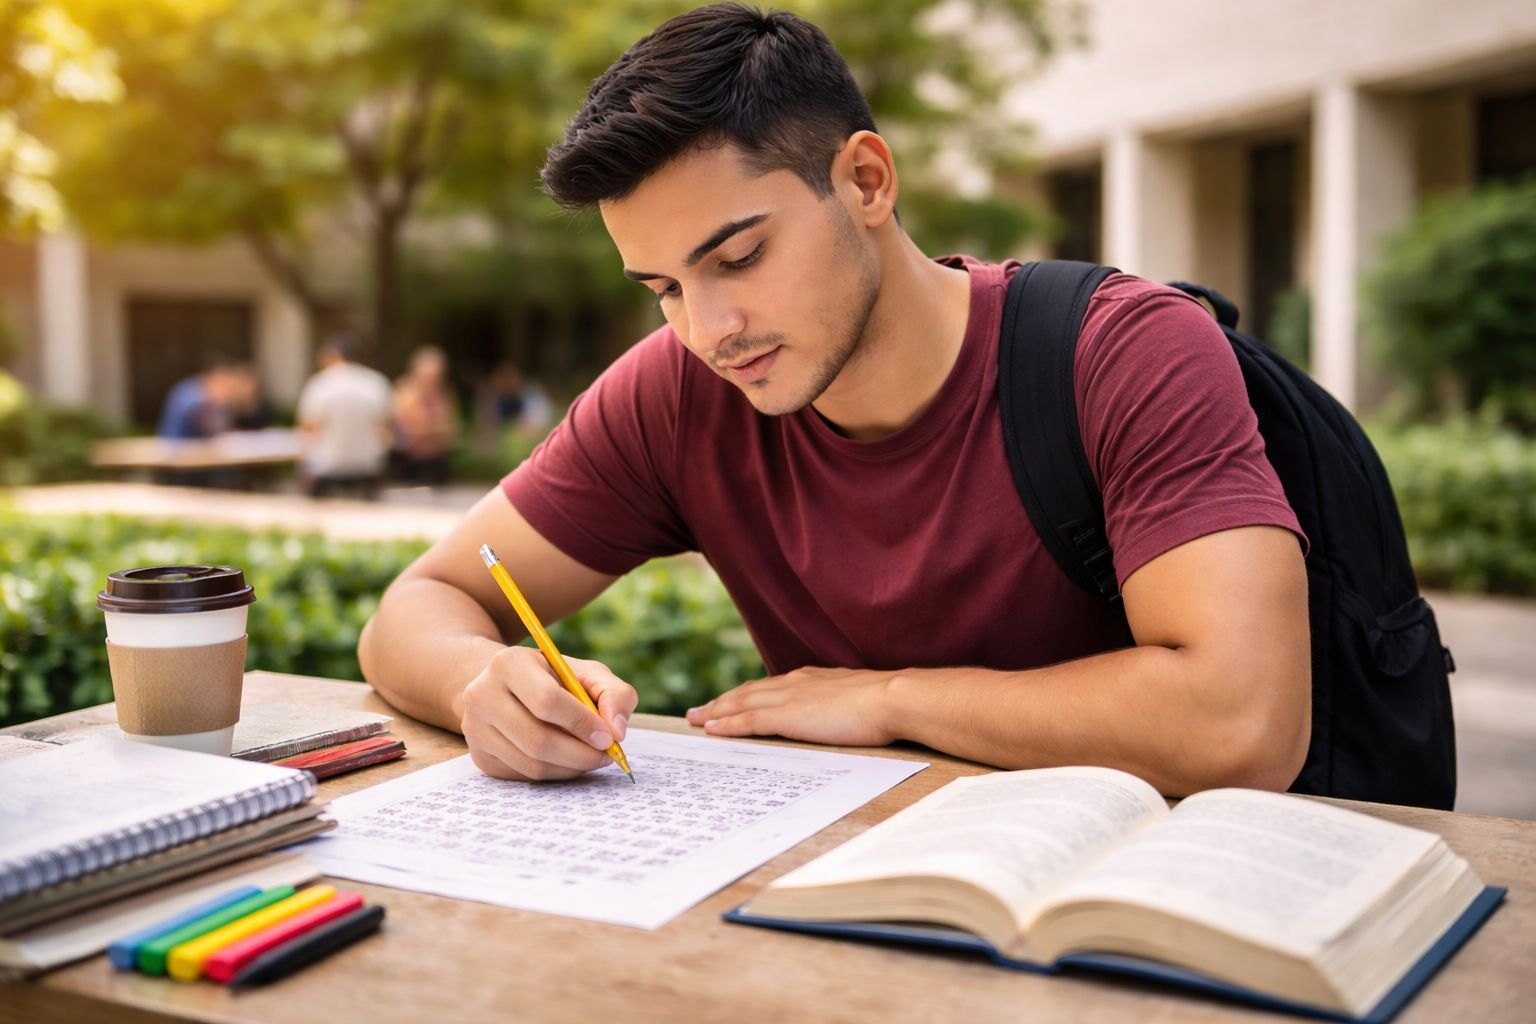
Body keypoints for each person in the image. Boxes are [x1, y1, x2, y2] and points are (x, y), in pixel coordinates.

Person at [359, 5, 1310, 795]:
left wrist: (892, 699)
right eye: (664, 288)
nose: (708, 329)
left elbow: (1243, 721)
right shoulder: (677, 394)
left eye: (738, 258)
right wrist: (480, 682)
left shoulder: (1123, 350)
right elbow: (423, 601)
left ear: (865, 179)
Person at [295, 334, 394, 498]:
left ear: (332, 354)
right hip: (369, 463)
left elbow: (307, 428)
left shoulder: (320, 383)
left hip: (328, 465)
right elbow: (386, 426)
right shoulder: (377, 382)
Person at [391, 346, 459, 485]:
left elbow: (452, 428)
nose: (432, 380)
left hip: (436, 460)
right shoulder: (404, 391)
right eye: (428, 375)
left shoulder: (445, 393)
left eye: (436, 376)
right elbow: (405, 428)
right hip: (409, 461)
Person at [156, 358, 237, 439]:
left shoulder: (194, 387)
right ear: (213, 376)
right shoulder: (191, 391)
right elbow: (210, 428)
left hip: (185, 445)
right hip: (176, 446)